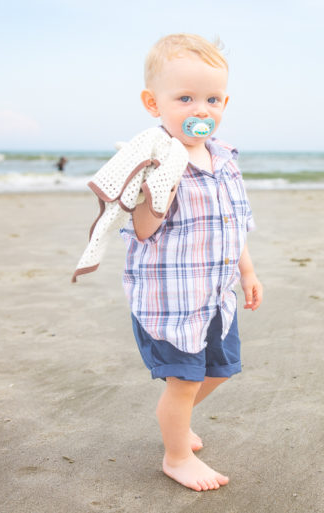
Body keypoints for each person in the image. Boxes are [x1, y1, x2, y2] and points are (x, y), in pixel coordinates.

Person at [120, 33, 263, 492]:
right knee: (183, 381)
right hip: (171, 301)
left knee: (220, 370)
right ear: (152, 102)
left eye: (212, 98)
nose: (201, 109)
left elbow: (234, 221)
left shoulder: (224, 157)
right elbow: (141, 230)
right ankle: (176, 455)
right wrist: (160, 192)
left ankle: (173, 419)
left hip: (215, 296)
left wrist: (248, 271)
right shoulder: (153, 159)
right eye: (185, 98)